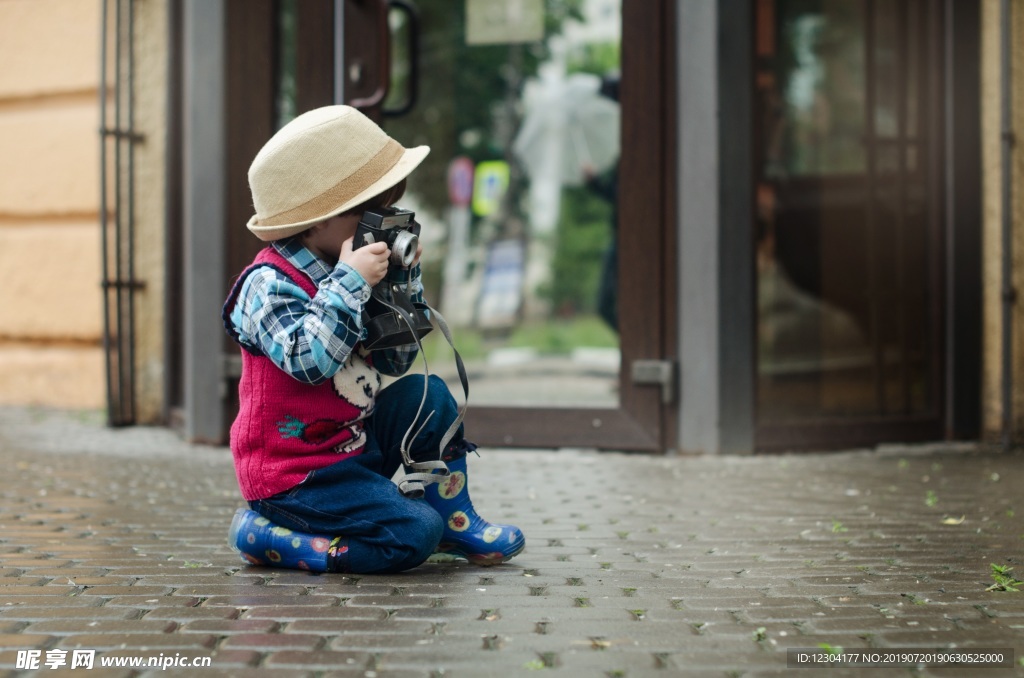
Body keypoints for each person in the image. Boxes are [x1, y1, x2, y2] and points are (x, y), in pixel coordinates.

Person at [223, 105, 524, 574]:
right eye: (371, 211)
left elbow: (397, 362)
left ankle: (453, 518)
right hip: (295, 477)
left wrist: (403, 283)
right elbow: (310, 362)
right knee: (412, 533)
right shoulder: (267, 284)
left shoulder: (356, 272)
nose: (380, 223)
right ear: (317, 218)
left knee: (430, 394)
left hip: (352, 448)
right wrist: (349, 282)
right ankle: (274, 538)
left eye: (387, 208)